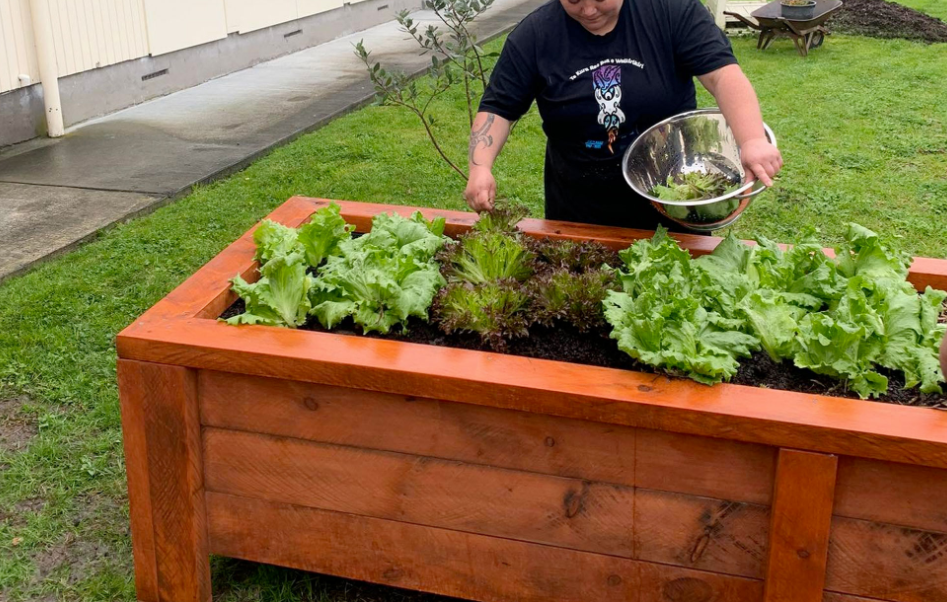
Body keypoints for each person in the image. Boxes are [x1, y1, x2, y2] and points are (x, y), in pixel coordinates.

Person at [464, 0, 783, 229]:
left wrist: (752, 139)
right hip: (579, 209)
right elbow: (498, 108)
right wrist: (480, 167)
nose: (588, 10)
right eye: (573, 0)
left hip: (671, 198)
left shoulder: (672, 10)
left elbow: (723, 76)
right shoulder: (534, 35)